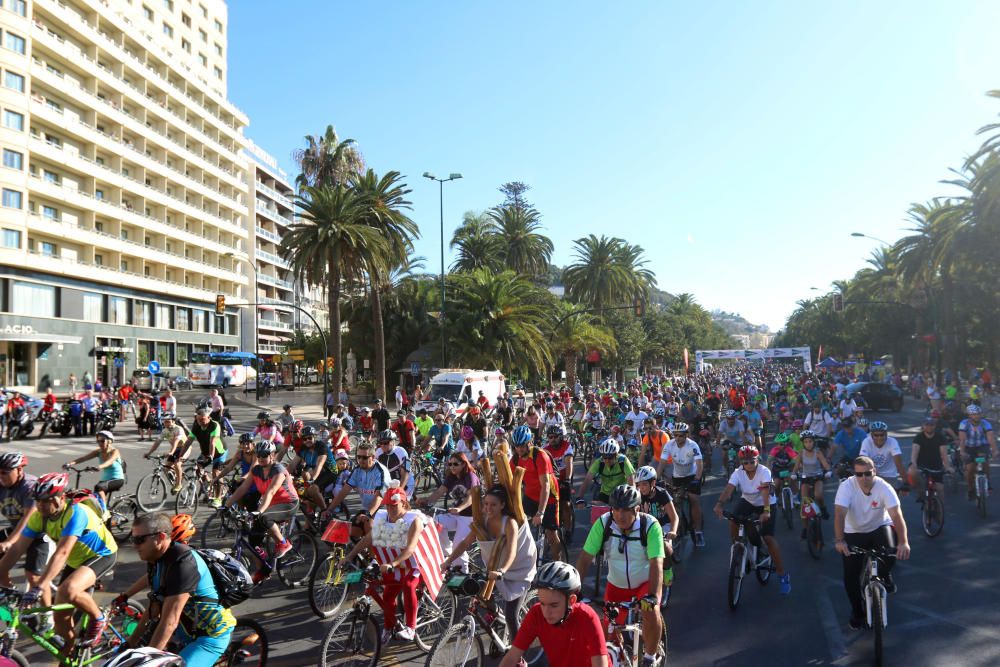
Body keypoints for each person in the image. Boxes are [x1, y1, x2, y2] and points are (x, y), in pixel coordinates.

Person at [0, 472, 117, 647]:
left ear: (59, 499)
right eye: (37, 500)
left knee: (67, 589)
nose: (39, 506)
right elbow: (17, 548)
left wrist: (38, 587)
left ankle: (99, 618)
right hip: (75, 561)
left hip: (100, 554)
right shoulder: (38, 517)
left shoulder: (76, 513)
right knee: (60, 619)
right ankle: (69, 654)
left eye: (45, 501)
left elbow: (62, 552)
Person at [124, 512, 235, 665]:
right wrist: (130, 642)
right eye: (133, 539)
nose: (134, 545)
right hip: (186, 633)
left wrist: (148, 659)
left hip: (210, 636)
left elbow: (170, 622)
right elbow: (154, 609)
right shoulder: (155, 558)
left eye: (139, 540)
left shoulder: (183, 564)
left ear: (161, 537)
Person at [576, 484, 664, 667]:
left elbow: (656, 563)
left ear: (637, 509)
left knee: (651, 611)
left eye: (625, 510)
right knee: (608, 634)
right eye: (615, 509)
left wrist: (653, 596)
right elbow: (584, 559)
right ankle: (620, 657)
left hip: (644, 583)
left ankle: (650, 657)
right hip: (616, 585)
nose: (619, 515)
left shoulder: (650, 526)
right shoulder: (604, 523)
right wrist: (575, 591)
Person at [443, 485, 535, 641]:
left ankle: (519, 657)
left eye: (493, 504)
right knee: (479, 593)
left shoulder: (510, 523)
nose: (488, 508)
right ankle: (495, 613)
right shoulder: (482, 520)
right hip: (494, 569)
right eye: (485, 504)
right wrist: (448, 561)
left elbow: (512, 551)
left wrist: (502, 570)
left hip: (518, 570)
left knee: (511, 617)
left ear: (502, 505)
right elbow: (465, 543)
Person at [338, 481, 425, 643]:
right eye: (388, 506)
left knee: (409, 585)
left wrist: (392, 564)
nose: (390, 509)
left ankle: (411, 628)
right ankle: (389, 626)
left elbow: (411, 549)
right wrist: (349, 556)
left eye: (394, 506)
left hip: (413, 565)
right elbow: (367, 539)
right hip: (392, 565)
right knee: (387, 594)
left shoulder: (415, 520)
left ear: (404, 503)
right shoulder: (382, 517)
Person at [833, 455, 911, 629]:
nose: (864, 478)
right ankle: (857, 611)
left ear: (875, 472)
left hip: (878, 527)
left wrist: (904, 542)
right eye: (859, 474)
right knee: (850, 576)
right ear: (855, 474)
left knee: (891, 554)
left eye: (868, 473)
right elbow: (839, 514)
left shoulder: (884, 487)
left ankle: (885, 574)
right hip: (853, 531)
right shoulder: (846, 487)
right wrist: (840, 540)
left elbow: (896, 515)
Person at [713, 445, 791, 595]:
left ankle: (783, 575)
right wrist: (719, 504)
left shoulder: (764, 471)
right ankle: (738, 548)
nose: (749, 465)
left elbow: (765, 493)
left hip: (766, 503)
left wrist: (766, 512)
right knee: (733, 520)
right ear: (741, 462)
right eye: (745, 462)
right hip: (748, 501)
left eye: (752, 461)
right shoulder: (737, 472)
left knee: (768, 538)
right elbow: (729, 489)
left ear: (757, 460)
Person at [500, 561, 608, 667]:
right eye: (542, 603)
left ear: (572, 601)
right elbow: (512, 657)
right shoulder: (536, 613)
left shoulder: (587, 617)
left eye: (554, 605)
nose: (546, 613)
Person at [223, 440, 298, 583]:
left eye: (265, 454)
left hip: (288, 503)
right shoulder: (256, 470)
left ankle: (283, 543)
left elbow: (270, 492)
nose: (261, 458)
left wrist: (259, 511)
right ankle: (262, 571)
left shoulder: (278, 470)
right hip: (271, 505)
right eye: (259, 455)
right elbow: (242, 489)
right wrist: (226, 505)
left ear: (273, 455)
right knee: (253, 539)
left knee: (264, 518)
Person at [0, 452, 52, 632]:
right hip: (16, 531)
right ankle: (13, 600)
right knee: (0, 569)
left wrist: (9, 542)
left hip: (38, 533)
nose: (1, 476)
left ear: (19, 470)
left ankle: (47, 615)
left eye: (5, 472)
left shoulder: (29, 486)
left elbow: (28, 519)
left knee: (33, 576)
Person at [417, 452, 480, 572]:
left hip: (470, 517)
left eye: (455, 464)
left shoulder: (470, 477)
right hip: (455, 515)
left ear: (463, 464)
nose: (452, 467)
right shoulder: (451, 477)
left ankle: (463, 573)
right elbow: (439, 492)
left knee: (459, 544)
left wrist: (459, 508)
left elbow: (472, 497)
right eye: (450, 464)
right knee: (435, 523)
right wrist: (426, 500)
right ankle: (449, 553)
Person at [510, 425, 564, 562]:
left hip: (549, 497)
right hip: (530, 495)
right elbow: (509, 482)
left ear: (530, 442)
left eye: (523, 445)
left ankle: (558, 562)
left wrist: (540, 512)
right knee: (517, 523)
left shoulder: (540, 456)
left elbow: (545, 485)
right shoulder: (515, 459)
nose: (520, 449)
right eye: (517, 446)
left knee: (551, 534)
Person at [655, 423, 705, 548]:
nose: (677, 438)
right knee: (673, 502)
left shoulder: (692, 445)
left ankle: (698, 531)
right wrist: (654, 480)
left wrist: (697, 478)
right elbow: (662, 463)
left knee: (693, 500)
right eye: (675, 435)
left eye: (680, 436)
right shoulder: (669, 445)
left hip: (692, 476)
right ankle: (677, 526)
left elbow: (699, 463)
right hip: (677, 477)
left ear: (686, 435)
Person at [634, 466, 677, 604]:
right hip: (645, 526)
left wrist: (673, 531)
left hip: (662, 525)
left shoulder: (662, 494)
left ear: (653, 483)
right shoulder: (637, 496)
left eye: (644, 484)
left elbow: (674, 517)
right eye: (639, 485)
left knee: (664, 546)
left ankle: (667, 569)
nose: (641, 488)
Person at [324, 442, 391, 517]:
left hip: (383, 509)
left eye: (364, 457)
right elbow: (344, 491)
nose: (361, 460)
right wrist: (329, 510)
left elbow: (378, 497)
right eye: (358, 457)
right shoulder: (357, 470)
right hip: (367, 508)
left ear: (373, 457)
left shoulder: (380, 472)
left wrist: (367, 515)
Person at [65, 430, 126, 506]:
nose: (100, 443)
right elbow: (83, 458)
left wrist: (99, 467)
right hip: (105, 480)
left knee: (98, 487)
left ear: (109, 441)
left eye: (102, 441)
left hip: (117, 479)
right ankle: (101, 508)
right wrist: (69, 464)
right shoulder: (98, 452)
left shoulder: (115, 451)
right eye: (98, 441)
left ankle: (104, 511)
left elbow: (110, 461)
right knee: (94, 497)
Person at [186, 408, 227, 507]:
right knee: (198, 469)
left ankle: (218, 498)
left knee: (216, 473)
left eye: (203, 419)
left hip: (219, 453)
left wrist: (211, 456)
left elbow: (212, 442)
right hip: (205, 452)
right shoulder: (196, 426)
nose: (200, 422)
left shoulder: (214, 425)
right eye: (198, 419)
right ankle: (209, 483)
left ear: (208, 417)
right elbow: (188, 441)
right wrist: (180, 456)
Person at [576, 440, 636, 504]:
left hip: (621, 493)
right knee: (597, 510)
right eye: (605, 457)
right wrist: (579, 498)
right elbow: (587, 480)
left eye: (610, 457)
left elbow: (631, 482)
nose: (607, 460)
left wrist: (631, 498)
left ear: (616, 455)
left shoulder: (623, 461)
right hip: (605, 494)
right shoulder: (599, 462)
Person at [958, 404, 998, 500]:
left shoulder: (985, 423)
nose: (977, 416)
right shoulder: (964, 423)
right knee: (970, 469)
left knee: (984, 462)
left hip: (982, 446)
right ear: (969, 415)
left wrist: (995, 450)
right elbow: (962, 439)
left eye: (979, 414)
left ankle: (987, 482)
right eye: (975, 414)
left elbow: (990, 438)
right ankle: (970, 488)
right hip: (969, 447)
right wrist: (962, 451)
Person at [909, 416, 955, 497]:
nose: (929, 427)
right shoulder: (918, 438)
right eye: (927, 425)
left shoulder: (940, 437)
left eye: (931, 425)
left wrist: (947, 467)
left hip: (937, 466)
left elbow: (944, 454)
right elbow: (914, 453)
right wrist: (913, 465)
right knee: (912, 473)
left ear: (935, 426)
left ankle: (940, 508)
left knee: (940, 490)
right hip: (922, 466)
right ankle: (920, 491)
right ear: (923, 426)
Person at [144, 412, 189, 494]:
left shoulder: (179, 429)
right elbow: (157, 442)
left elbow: (176, 441)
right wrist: (149, 453)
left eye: (168, 421)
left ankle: (179, 484)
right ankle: (177, 476)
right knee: (165, 468)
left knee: (177, 464)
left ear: (173, 421)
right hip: (175, 449)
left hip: (184, 448)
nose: (166, 423)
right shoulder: (165, 431)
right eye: (164, 421)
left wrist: (171, 452)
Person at [859, 421, 908, 490]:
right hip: (872, 475)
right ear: (871, 436)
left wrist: (905, 483)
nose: (879, 437)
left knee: (894, 499)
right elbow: (863, 461)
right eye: (876, 435)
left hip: (890, 476)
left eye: (882, 435)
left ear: (886, 434)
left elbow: (899, 464)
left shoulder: (892, 442)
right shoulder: (866, 442)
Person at [376, 429, 413, 496]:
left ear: (393, 442)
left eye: (386, 443)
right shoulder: (378, 452)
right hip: (391, 481)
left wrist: (400, 490)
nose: (383, 445)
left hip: (405, 481)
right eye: (380, 443)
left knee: (400, 503)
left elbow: (406, 473)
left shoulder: (401, 452)